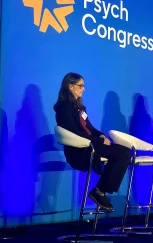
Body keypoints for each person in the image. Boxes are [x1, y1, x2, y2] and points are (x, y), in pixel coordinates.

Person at [54, 72, 131, 211]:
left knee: (123, 152)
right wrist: (98, 141)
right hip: (80, 150)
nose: (83, 89)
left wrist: (101, 135)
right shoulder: (63, 107)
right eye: (80, 86)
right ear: (70, 86)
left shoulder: (79, 107)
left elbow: (90, 128)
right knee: (123, 153)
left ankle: (100, 191)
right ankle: (100, 191)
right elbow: (74, 132)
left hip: (93, 144)